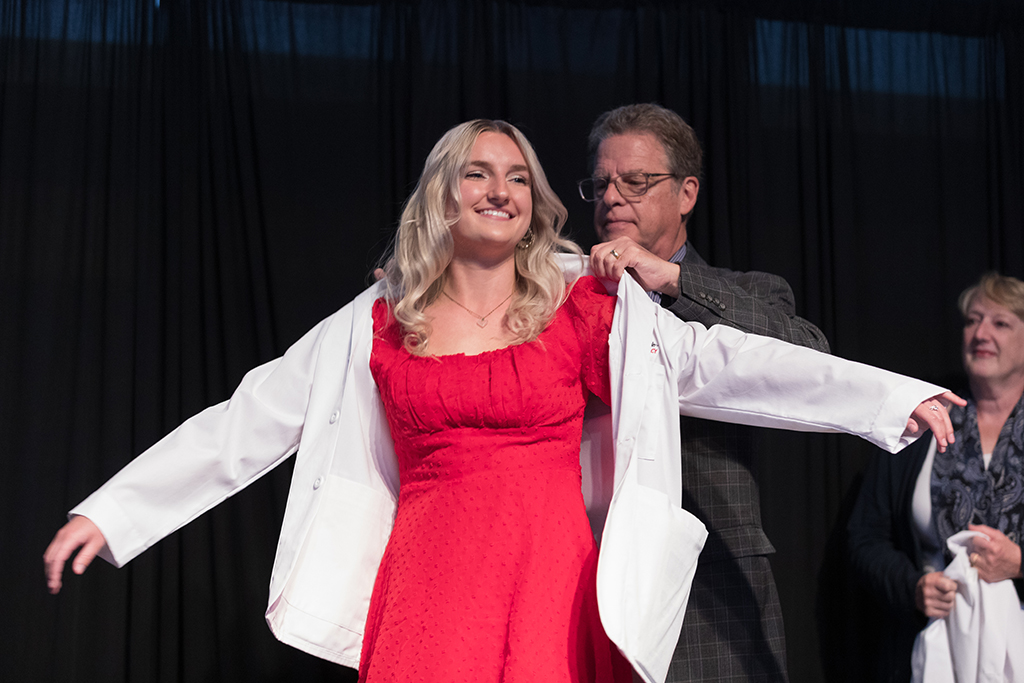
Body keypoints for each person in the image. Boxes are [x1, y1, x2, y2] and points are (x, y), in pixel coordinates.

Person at [44, 119, 960, 683]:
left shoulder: (583, 299)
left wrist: (889, 397)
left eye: (519, 175)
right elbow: (251, 416)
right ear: (441, 197)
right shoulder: (382, 312)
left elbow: (725, 363)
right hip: (431, 577)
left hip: (551, 579)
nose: (501, 189)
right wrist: (114, 511)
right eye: (479, 173)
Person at [584, 103, 826, 683]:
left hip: (708, 586)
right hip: (588, 578)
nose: (612, 196)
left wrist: (670, 278)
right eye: (601, 184)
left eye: (635, 182)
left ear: (686, 194)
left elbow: (808, 357)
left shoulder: (748, 292)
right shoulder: (570, 295)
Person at [847, 272, 1024, 683]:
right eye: (972, 320)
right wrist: (913, 586)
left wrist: (1019, 564)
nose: (980, 333)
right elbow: (864, 537)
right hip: (931, 652)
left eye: (1000, 323)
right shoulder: (922, 419)